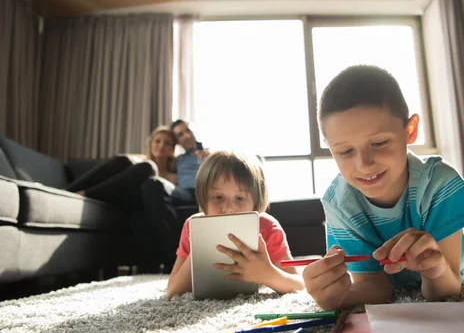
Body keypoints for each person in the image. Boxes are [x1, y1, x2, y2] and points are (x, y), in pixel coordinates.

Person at [302, 65, 464, 310]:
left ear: (410, 130)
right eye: (345, 151)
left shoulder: (439, 184)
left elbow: (449, 289)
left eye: (379, 143)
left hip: (446, 274)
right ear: (329, 146)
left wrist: (434, 269)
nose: (364, 164)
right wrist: (333, 297)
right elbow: (375, 287)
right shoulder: (339, 202)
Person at [166, 150, 305, 298]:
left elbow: (299, 284)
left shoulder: (267, 228)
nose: (228, 208)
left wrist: (267, 274)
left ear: (256, 202)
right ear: (203, 199)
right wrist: (200, 245)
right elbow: (172, 291)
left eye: (240, 198)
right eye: (218, 197)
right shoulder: (192, 226)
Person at [140, 119, 208, 261]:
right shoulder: (179, 160)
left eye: (188, 130)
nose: (187, 136)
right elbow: (155, 161)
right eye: (181, 135)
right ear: (177, 142)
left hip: (206, 191)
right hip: (185, 193)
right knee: (153, 185)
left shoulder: (212, 152)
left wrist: (207, 156)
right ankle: (172, 256)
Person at [65, 125, 177, 209]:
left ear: (172, 149)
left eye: (167, 143)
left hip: (136, 202)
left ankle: (84, 194)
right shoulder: (139, 160)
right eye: (157, 141)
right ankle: (66, 192)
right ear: (151, 144)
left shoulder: (173, 175)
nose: (161, 145)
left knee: (148, 167)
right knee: (123, 160)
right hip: (115, 194)